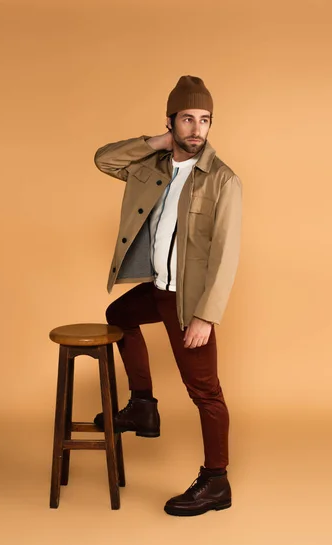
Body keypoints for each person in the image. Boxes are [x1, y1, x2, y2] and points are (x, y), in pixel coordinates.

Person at [93, 75, 242, 517]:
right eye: (188, 119)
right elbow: (104, 160)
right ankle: (143, 407)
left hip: (188, 302)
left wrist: (205, 316)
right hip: (157, 290)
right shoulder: (152, 166)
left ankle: (217, 482)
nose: (197, 129)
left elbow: (226, 255)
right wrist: (157, 141)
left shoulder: (222, 180)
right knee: (118, 315)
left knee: (205, 392)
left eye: (205, 120)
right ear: (171, 121)